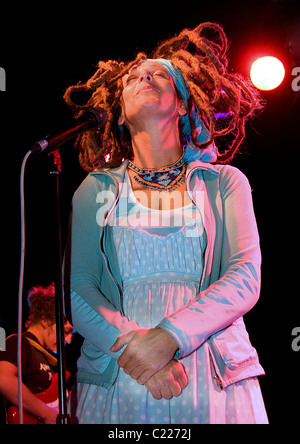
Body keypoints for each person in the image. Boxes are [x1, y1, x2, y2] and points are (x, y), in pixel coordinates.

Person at [63, 22, 268, 424]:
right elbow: (79, 290)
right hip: (121, 371)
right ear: (119, 113)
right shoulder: (95, 188)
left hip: (211, 372)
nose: (144, 77)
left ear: (183, 104)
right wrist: (134, 349)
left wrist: (169, 338)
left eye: (159, 74)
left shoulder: (226, 182)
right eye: (134, 78)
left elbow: (245, 277)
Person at [0, 283, 73, 424]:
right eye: (66, 331)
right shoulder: (19, 342)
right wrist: (46, 414)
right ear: (45, 320)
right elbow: (3, 378)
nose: (69, 340)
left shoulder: (44, 356)